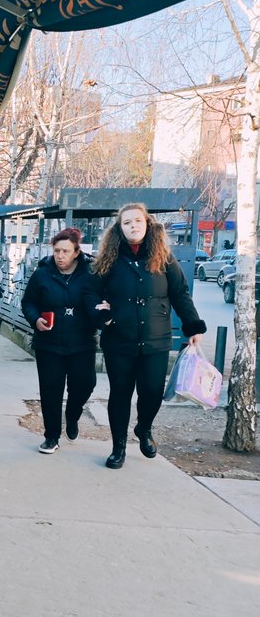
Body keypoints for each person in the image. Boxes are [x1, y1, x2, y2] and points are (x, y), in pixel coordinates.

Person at [86, 201, 206, 470]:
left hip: (156, 339)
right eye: (127, 222)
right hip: (119, 339)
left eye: (137, 221)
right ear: (120, 229)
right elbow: (91, 292)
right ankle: (118, 447)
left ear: (147, 224)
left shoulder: (163, 257)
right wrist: (102, 314)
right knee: (120, 394)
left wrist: (193, 327)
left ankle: (143, 428)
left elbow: (179, 293)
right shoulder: (109, 260)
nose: (133, 226)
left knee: (151, 392)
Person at [21, 227, 98, 454]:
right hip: (49, 343)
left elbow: (99, 299)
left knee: (85, 384)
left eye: (65, 251)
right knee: (50, 390)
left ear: (76, 252)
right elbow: (28, 302)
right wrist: (35, 319)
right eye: (56, 250)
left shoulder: (90, 273)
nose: (60, 256)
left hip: (82, 342)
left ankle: (72, 415)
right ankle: (51, 436)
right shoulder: (43, 273)